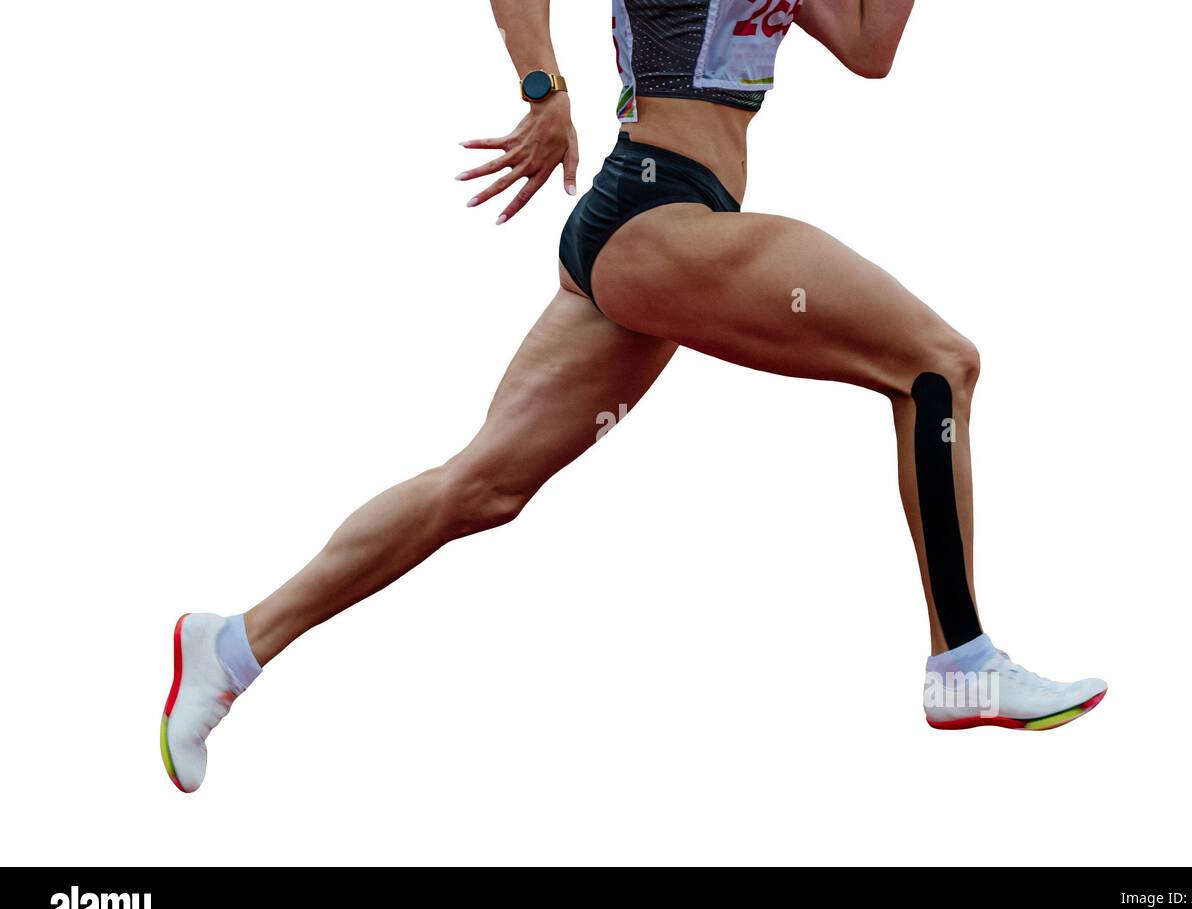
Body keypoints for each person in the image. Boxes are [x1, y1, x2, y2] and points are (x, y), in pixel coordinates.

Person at [161, 1, 1106, 794]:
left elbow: (869, 48)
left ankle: (233, 647)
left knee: (482, 487)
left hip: (658, 231)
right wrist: (545, 88)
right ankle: (962, 659)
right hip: (658, 209)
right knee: (936, 363)